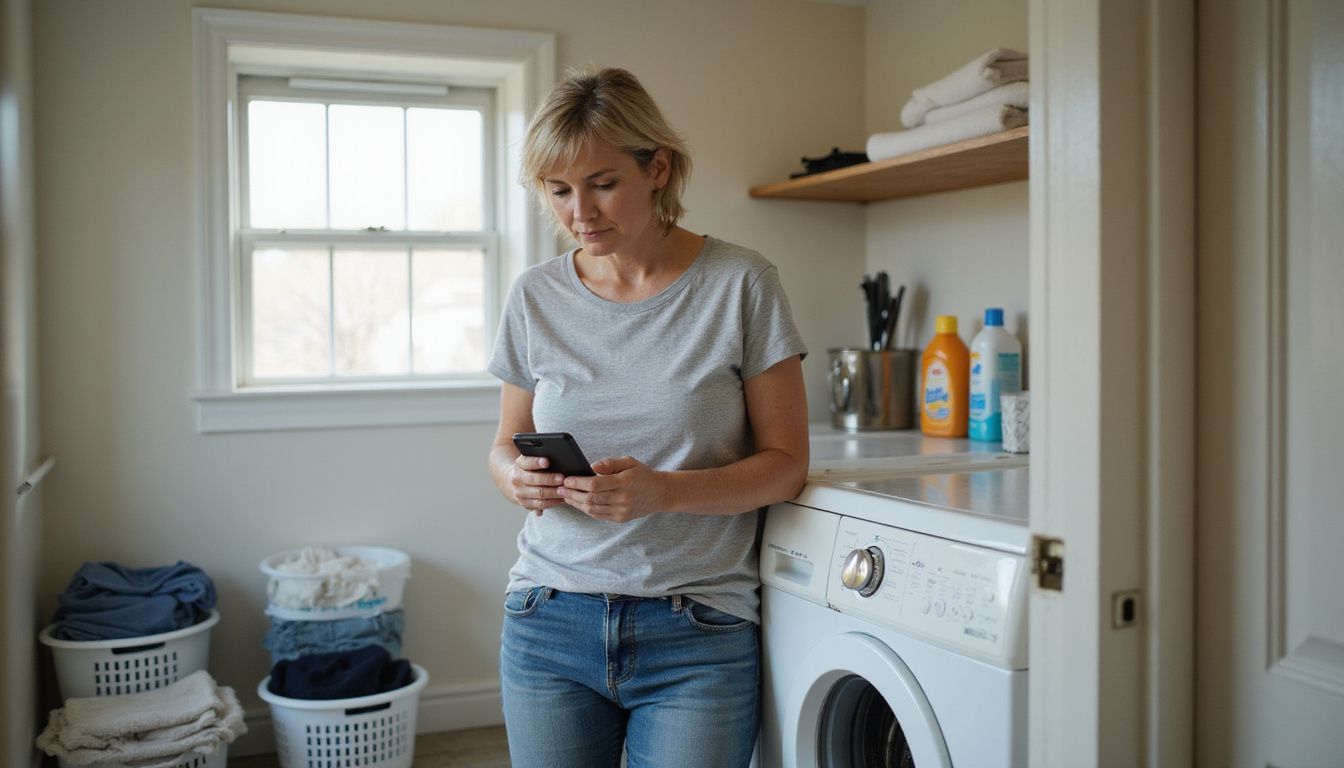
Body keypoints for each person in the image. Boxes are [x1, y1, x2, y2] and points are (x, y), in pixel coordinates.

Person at [486, 66, 809, 768]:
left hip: (696, 629)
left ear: (656, 167)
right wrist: (518, 478)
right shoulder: (534, 296)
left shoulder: (740, 283)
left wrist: (665, 491)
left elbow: (787, 467)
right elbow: (503, 446)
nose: (580, 212)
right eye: (559, 190)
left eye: (602, 183)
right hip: (549, 619)